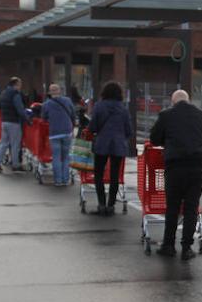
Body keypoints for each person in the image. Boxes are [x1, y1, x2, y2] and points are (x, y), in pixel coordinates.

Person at [148, 89, 202, 259]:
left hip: (175, 166)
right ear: (188, 100)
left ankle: (168, 245)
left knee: (173, 206)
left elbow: (154, 138)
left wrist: (168, 141)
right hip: (198, 165)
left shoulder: (166, 115)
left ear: (173, 101)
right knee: (191, 207)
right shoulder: (201, 115)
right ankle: (187, 248)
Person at [87, 81, 133, 215]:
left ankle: (101, 204)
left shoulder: (99, 106)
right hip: (118, 145)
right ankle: (111, 205)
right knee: (114, 176)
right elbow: (129, 130)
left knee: (99, 174)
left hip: (102, 144)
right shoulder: (123, 109)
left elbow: (93, 126)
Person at [41, 84, 77, 186]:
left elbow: (43, 118)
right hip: (67, 131)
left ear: (49, 92)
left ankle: (58, 180)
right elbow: (73, 114)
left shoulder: (46, 104)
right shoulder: (67, 101)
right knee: (66, 156)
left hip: (54, 133)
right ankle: (66, 180)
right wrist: (72, 126)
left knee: (56, 157)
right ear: (60, 91)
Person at [0, 76, 28, 173]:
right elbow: (20, 109)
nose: (21, 86)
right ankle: (15, 165)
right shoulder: (15, 94)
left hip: (5, 121)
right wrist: (27, 119)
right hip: (14, 121)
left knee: (4, 143)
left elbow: (0, 106)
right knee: (15, 144)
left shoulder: (4, 93)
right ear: (16, 85)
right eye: (20, 84)